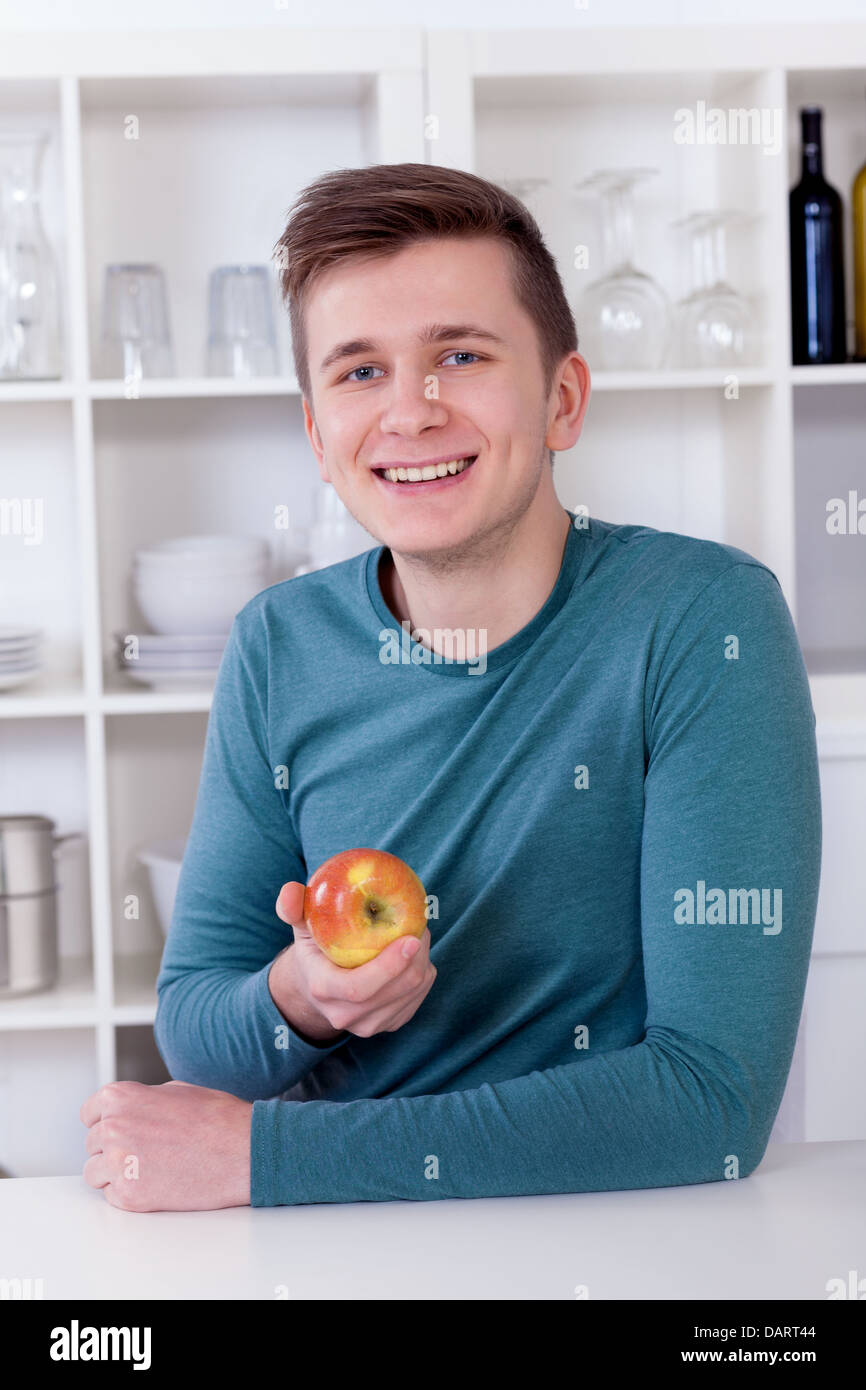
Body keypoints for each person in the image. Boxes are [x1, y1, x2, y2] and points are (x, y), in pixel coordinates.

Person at [81, 163, 821, 1212]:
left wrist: (265, 1158)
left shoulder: (702, 622)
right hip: (329, 1256)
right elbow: (200, 1028)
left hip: (613, 1240)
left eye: (459, 355)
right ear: (317, 441)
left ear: (560, 398)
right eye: (358, 372)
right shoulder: (276, 645)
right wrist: (304, 996)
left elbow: (710, 1100)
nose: (410, 411)